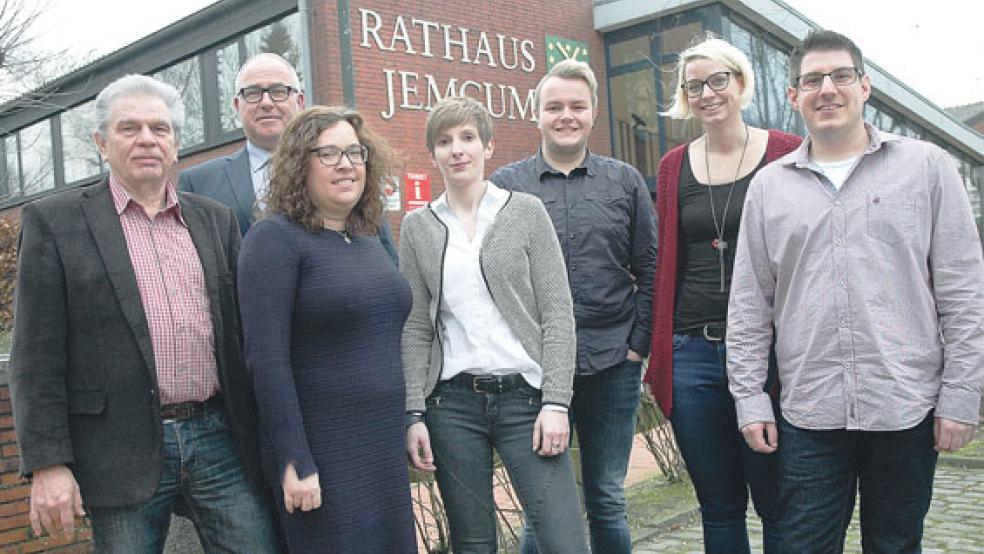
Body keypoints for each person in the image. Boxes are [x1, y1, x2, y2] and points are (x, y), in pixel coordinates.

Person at [727, 29, 984, 553]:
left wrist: (962, 393)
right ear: (794, 97)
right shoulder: (769, 188)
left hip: (905, 405)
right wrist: (750, 398)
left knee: (894, 545)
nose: (828, 89)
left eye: (841, 76)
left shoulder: (928, 168)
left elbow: (963, 292)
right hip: (811, 412)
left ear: (865, 86)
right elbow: (750, 304)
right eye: (812, 80)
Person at [9, 74, 278, 552]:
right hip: (119, 449)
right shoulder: (56, 222)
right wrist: (49, 464)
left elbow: (245, 335)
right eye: (128, 128)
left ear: (175, 144)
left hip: (219, 438)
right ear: (101, 143)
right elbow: (35, 358)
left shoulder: (213, 219)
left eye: (160, 128)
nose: (147, 139)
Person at [402, 96, 589, 554]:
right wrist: (414, 413)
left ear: (488, 146)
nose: (457, 150)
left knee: (564, 540)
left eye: (467, 138)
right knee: (474, 543)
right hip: (452, 406)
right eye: (444, 141)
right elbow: (416, 328)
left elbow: (558, 314)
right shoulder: (417, 227)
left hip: (526, 401)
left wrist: (556, 402)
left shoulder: (525, 212)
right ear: (433, 154)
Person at [492, 60, 657, 553]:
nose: (566, 115)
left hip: (611, 363)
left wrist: (636, 348)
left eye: (577, 106)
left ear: (593, 114)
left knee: (606, 498)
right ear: (536, 114)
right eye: (555, 106)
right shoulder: (506, 185)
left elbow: (650, 269)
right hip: (535, 370)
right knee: (542, 505)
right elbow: (490, 277)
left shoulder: (624, 182)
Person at [646, 36, 801, 553]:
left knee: (779, 503)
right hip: (694, 353)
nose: (708, 93)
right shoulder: (673, 167)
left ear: (740, 82)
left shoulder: (785, 152)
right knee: (718, 507)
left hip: (771, 353)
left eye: (718, 81)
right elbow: (667, 261)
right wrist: (659, 353)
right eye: (695, 86)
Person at [237, 106, 416, 553]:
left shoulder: (368, 234)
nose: (346, 164)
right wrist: (294, 458)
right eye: (329, 153)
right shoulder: (275, 240)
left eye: (355, 153)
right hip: (323, 451)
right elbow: (266, 360)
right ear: (301, 163)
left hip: (381, 447)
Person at [178, 53, 397, 264]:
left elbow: (386, 262)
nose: (266, 102)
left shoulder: (343, 172)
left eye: (279, 91)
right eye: (253, 92)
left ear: (300, 101)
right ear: (237, 105)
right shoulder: (198, 183)